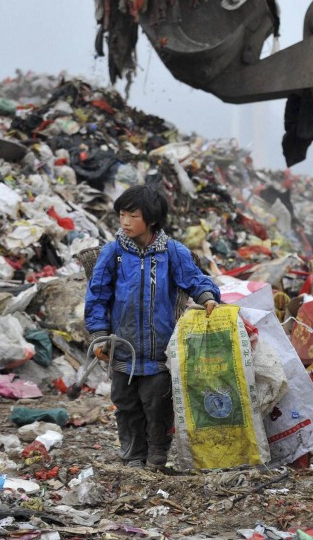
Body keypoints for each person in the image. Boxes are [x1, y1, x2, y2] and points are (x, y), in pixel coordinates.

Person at [84, 184, 221, 471]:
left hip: (160, 349)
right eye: (122, 215)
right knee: (126, 404)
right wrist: (98, 335)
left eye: (132, 216)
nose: (124, 222)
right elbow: (97, 295)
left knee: (157, 405)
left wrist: (207, 297)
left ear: (152, 219)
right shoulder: (113, 253)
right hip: (123, 347)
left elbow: (195, 279)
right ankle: (133, 455)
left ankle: (157, 455)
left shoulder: (172, 252)